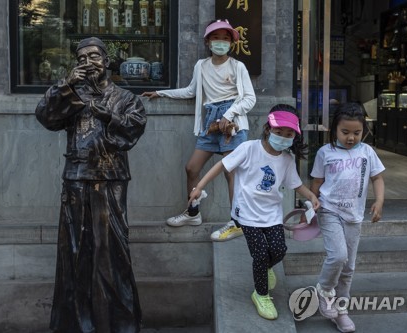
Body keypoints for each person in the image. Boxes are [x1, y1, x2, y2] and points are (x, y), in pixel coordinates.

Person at [35, 37, 146, 333]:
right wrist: (65, 85)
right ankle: (76, 325)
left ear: (106, 61)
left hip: (110, 181)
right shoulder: (72, 95)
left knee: (112, 254)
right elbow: (46, 116)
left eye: (94, 56)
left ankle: (118, 325)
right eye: (81, 58)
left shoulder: (125, 98)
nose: (87, 63)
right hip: (75, 180)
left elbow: (132, 131)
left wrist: (106, 113)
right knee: (75, 254)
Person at [189, 104, 320, 320]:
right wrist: (199, 186)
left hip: (272, 215)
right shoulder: (249, 148)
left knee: (279, 250)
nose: (283, 137)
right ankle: (260, 294)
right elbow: (221, 165)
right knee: (259, 254)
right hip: (247, 214)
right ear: (268, 129)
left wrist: (312, 196)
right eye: (279, 132)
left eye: (288, 135)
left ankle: (264, 268)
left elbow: (296, 184)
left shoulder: (287, 160)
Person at [141, 19, 256, 242]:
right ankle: (193, 212)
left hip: (231, 123)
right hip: (210, 121)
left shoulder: (237, 66)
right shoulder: (201, 65)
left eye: (225, 38)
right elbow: (191, 91)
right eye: (216, 38)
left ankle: (237, 221)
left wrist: (229, 114)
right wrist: (161, 93)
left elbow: (250, 98)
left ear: (231, 42)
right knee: (191, 168)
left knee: (231, 172)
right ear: (207, 41)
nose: (221, 42)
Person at [310, 102, 385, 333]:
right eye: (345, 132)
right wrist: (310, 207)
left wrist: (379, 201)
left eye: (357, 132)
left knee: (349, 267)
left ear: (364, 130)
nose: (351, 137)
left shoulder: (367, 152)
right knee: (338, 256)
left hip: (354, 215)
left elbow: (378, 178)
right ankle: (323, 291)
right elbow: (317, 183)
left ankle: (341, 311)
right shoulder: (325, 152)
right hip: (330, 210)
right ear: (334, 129)